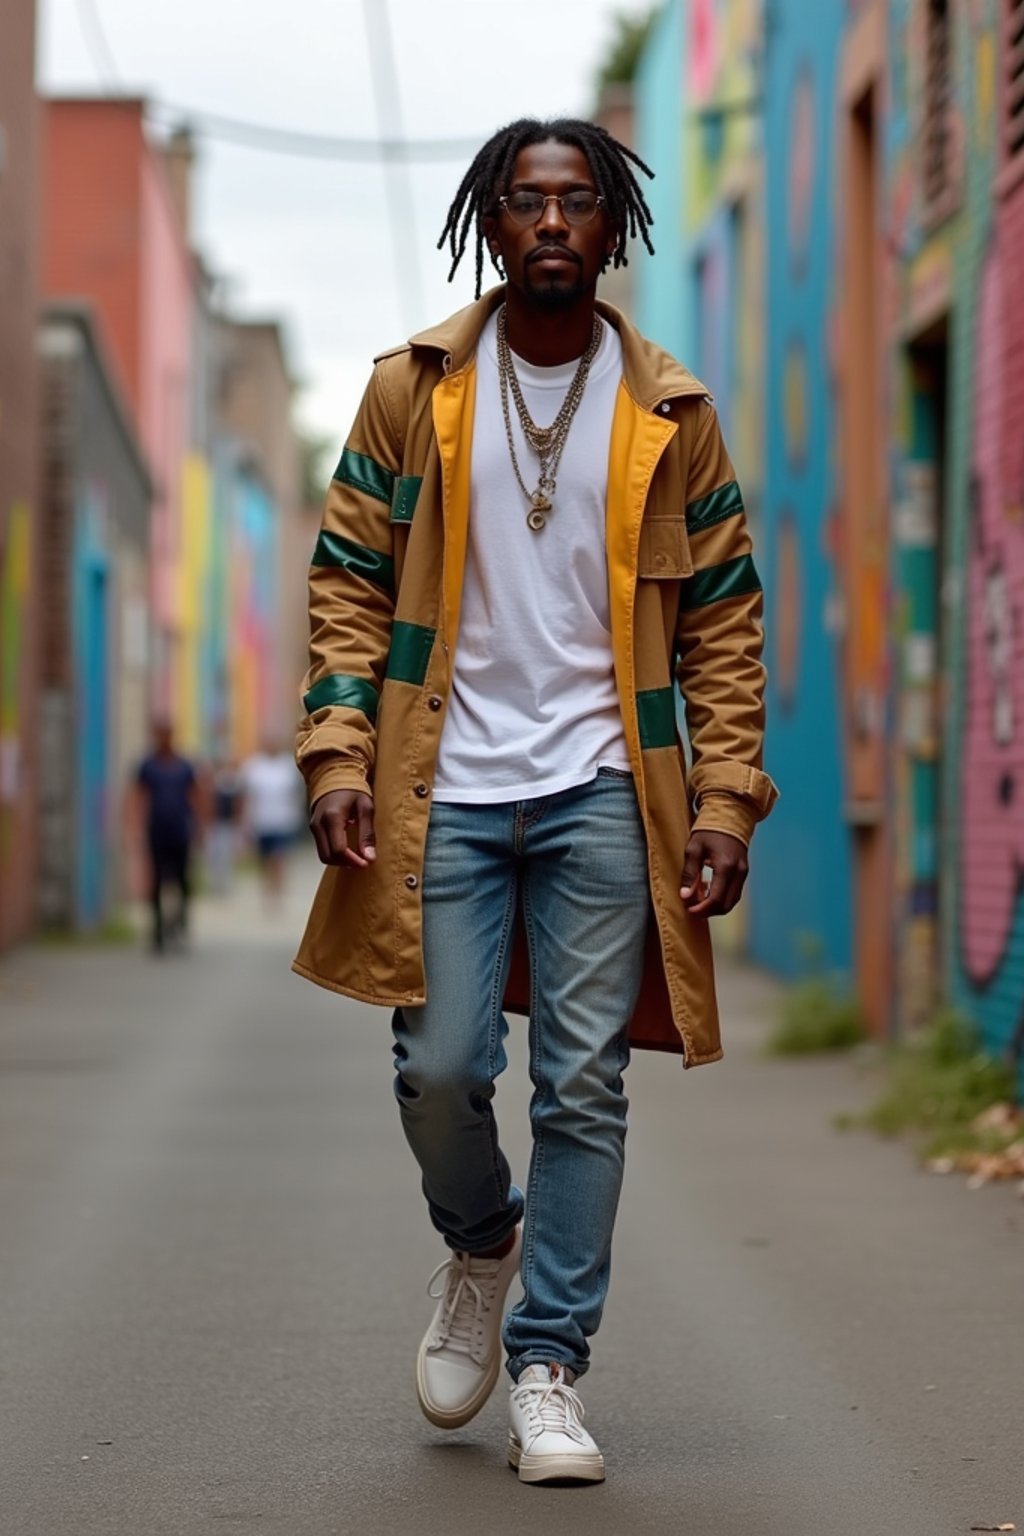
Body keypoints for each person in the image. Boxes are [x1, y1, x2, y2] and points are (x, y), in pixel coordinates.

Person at [293, 118, 778, 1484]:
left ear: (612, 228)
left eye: (576, 202)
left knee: (585, 1083)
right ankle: (481, 1240)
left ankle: (549, 1367)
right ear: (491, 226)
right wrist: (336, 755)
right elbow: (346, 582)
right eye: (525, 201)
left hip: (605, 790)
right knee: (439, 1065)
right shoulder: (418, 393)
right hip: (439, 780)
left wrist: (729, 798)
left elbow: (726, 626)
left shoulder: (669, 412)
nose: (552, 221)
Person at [136, 721, 198, 953]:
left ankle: (180, 924)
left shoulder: (184, 766)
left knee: (182, 882)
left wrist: (200, 827)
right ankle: (158, 931)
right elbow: (138, 796)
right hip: (157, 832)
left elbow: (195, 796)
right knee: (157, 883)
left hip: (180, 832)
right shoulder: (147, 766)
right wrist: (135, 826)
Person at [240, 740, 302, 902]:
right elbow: (247, 797)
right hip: (261, 821)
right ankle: (267, 887)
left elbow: (296, 794)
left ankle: (278, 889)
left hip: (283, 821)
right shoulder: (254, 766)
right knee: (265, 859)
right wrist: (245, 822)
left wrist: (296, 816)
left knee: (278, 857)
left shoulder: (288, 766)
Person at [206, 757, 243, 896]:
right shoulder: (212, 784)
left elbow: (236, 804)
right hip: (214, 824)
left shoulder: (231, 783)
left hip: (226, 823)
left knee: (225, 855)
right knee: (214, 856)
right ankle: (215, 884)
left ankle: (225, 884)